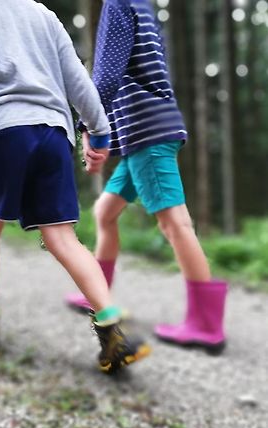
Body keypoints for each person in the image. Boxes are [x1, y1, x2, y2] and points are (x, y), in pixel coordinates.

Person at [0, 0, 151, 372]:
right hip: (53, 135)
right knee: (63, 238)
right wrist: (99, 131)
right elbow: (75, 78)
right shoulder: (43, 15)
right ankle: (113, 328)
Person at [65, 0, 227, 354]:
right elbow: (141, 75)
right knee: (105, 211)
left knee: (174, 224)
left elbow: (108, 72)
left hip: (147, 134)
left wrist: (90, 126)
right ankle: (98, 291)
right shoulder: (142, 5)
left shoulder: (119, 3)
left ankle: (206, 325)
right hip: (144, 132)